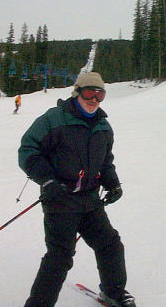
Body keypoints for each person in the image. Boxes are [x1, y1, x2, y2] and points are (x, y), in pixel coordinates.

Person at [18, 72, 136, 307]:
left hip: (90, 200)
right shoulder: (54, 119)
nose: (94, 99)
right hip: (60, 199)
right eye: (89, 92)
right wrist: (48, 180)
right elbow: (28, 151)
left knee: (110, 244)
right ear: (77, 92)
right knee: (60, 256)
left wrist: (112, 183)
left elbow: (105, 161)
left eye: (100, 94)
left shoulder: (103, 126)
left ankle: (113, 292)